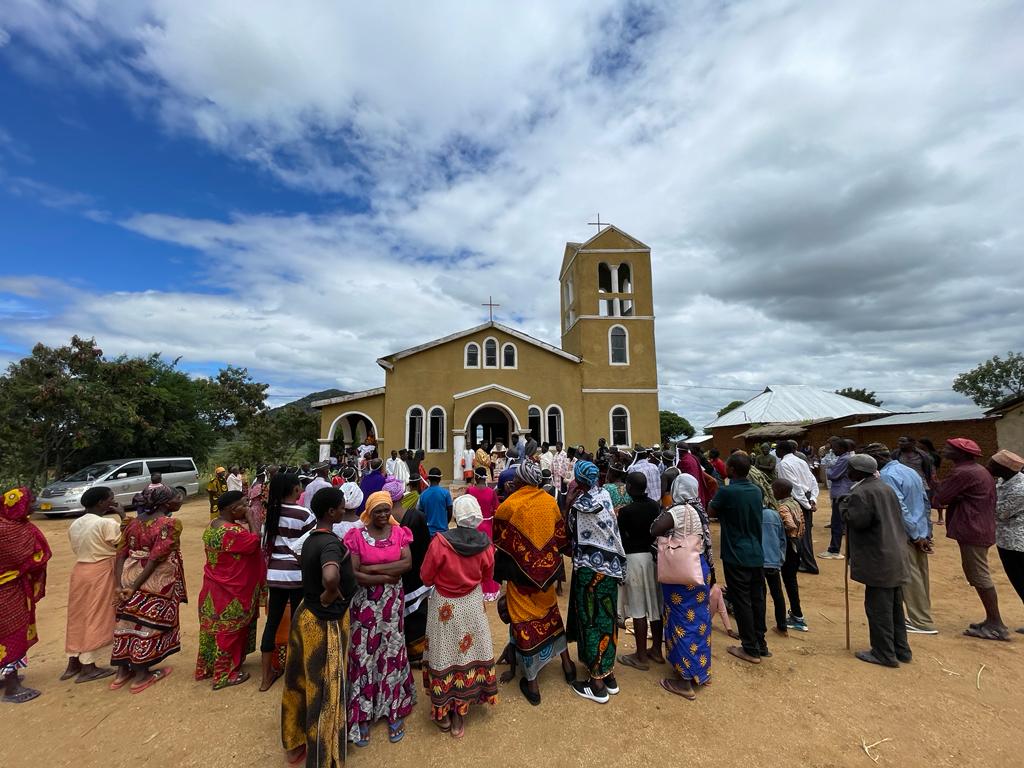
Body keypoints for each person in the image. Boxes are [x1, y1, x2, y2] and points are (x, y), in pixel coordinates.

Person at [281, 486, 358, 768]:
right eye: (341, 506)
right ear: (331, 512)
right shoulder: (329, 543)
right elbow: (329, 575)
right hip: (325, 623)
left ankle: (295, 740)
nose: (344, 509)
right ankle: (324, 757)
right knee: (326, 688)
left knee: (299, 679)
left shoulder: (311, 538)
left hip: (306, 613)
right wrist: (328, 593)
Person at [493, 460, 575, 705]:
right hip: (547, 575)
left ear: (519, 481)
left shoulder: (509, 506)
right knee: (551, 615)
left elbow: (498, 539)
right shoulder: (549, 501)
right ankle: (568, 666)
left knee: (523, 622)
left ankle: (532, 684)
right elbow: (561, 538)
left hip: (521, 576)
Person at [420, 494, 498, 738]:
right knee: (468, 652)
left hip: (445, 606)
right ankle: (460, 714)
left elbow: (425, 576)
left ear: (455, 516)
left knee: (444, 653)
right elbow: (487, 577)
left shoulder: (440, 542)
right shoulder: (486, 545)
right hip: (471, 604)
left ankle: (444, 712)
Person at [344, 491, 415, 746]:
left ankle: (393, 710)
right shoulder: (357, 536)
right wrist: (386, 576)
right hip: (365, 606)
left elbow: (406, 564)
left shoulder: (400, 533)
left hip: (392, 605)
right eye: (378, 511)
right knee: (364, 654)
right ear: (369, 513)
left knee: (391, 653)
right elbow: (354, 574)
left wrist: (371, 569)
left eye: (387, 510)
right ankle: (362, 714)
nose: (384, 515)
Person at [110, 484, 186, 693]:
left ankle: (122, 672)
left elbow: (120, 554)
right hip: (154, 581)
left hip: (128, 575)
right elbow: (155, 558)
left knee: (126, 622)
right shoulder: (170, 524)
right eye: (175, 498)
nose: (179, 500)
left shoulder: (132, 523)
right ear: (165, 503)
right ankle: (142, 675)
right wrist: (135, 587)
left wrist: (120, 584)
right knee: (147, 626)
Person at [933, 438, 1008, 641]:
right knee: (977, 574)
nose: (945, 449)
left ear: (962, 454)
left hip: (972, 528)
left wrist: (934, 481)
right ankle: (992, 620)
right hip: (980, 526)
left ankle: (996, 625)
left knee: (979, 575)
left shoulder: (962, 473)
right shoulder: (977, 470)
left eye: (951, 448)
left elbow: (940, 498)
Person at [842, 454, 912, 667]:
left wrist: (843, 505)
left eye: (850, 469)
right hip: (894, 554)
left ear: (859, 472)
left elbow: (857, 520)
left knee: (878, 608)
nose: (847, 473)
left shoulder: (862, 492)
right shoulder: (884, 487)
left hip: (878, 557)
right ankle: (901, 649)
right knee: (894, 607)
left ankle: (883, 653)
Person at [566, 460, 626, 704]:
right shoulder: (605, 495)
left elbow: (569, 531)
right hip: (610, 567)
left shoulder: (580, 505)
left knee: (591, 621)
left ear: (580, 481)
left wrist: (569, 500)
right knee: (607, 619)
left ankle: (597, 684)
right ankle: (608, 674)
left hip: (590, 571)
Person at [651, 473, 715, 699]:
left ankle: (684, 681)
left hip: (681, 572)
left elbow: (655, 529)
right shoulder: (699, 509)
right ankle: (700, 671)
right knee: (698, 621)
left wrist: (664, 507)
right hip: (700, 569)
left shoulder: (678, 511)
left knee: (681, 621)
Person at [195, 490, 265, 690]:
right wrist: (252, 519)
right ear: (233, 509)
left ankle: (208, 667)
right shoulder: (233, 532)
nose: (248, 507)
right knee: (229, 632)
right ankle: (223, 675)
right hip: (232, 591)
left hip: (214, 587)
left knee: (214, 630)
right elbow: (254, 542)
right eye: (244, 504)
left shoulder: (213, 526)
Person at [865, 444, 937, 635]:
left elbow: (900, 508)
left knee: (909, 577)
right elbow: (924, 501)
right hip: (919, 530)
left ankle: (921, 621)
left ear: (877, 461)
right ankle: (922, 615)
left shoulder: (887, 476)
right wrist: (925, 531)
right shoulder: (909, 470)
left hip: (907, 533)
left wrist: (914, 534)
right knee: (921, 575)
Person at [709, 453, 768, 664]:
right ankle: (761, 643)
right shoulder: (756, 490)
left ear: (732, 470)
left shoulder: (727, 492)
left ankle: (749, 648)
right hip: (756, 552)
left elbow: (711, 511)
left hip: (736, 554)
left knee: (741, 600)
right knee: (757, 598)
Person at [62, 486, 124, 684]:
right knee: (97, 614)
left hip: (81, 570)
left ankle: (73, 660)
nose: (112, 502)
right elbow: (121, 544)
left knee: (78, 614)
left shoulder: (75, 524)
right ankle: (88, 665)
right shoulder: (106, 523)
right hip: (101, 570)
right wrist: (123, 517)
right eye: (110, 499)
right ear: (101, 503)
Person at [261, 473, 316, 691]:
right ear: (295, 490)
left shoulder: (271, 513)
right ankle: (296, 674)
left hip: (275, 575)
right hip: (297, 575)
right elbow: (310, 544)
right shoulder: (303, 513)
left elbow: (266, 544)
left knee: (272, 622)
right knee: (298, 622)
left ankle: (266, 677)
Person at [1, 486, 52, 703]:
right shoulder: (17, 531)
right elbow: (41, 555)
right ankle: (12, 688)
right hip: (8, 591)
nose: (33, 506)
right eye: (30, 503)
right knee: (12, 634)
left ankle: (5, 677)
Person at [616, 472, 664, 671]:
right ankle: (657, 651)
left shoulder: (626, 512)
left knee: (638, 608)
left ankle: (641, 656)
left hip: (634, 559)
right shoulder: (655, 506)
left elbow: (620, 537)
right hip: (653, 559)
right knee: (655, 606)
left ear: (629, 487)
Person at [386, 478, 431, 669]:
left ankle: (397, 651)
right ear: (402, 495)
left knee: (396, 613)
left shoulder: (381, 518)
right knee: (419, 613)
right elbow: (426, 545)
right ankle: (416, 654)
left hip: (392, 574)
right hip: (416, 574)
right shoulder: (416, 516)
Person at [989, 450, 1024, 633]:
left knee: (1021, 580)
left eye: (993, 465)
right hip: (1005, 539)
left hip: (1018, 543)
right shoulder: (1003, 481)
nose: (989, 467)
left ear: (1005, 468)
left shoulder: (1020, 488)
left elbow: (1000, 512)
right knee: (1017, 580)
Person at [772, 479, 808, 632]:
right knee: (791, 580)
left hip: (790, 545)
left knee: (789, 580)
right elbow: (802, 523)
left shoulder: (783, 507)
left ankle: (797, 616)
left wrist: (785, 534)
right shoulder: (795, 503)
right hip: (798, 544)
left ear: (780, 491)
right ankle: (796, 614)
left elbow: (790, 525)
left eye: (774, 490)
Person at [466, 467, 502, 601]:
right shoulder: (491, 492)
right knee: (488, 558)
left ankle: (473, 588)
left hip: (473, 526)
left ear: (476, 477)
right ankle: (489, 589)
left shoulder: (470, 491)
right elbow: (496, 510)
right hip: (487, 527)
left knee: (473, 558)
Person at [822, 438, 855, 559]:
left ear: (842, 448)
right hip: (843, 492)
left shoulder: (844, 459)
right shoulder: (844, 458)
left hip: (840, 494)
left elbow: (833, 475)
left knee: (837, 523)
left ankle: (834, 550)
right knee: (841, 523)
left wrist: (828, 469)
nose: (832, 450)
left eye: (834, 448)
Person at [761, 499, 788, 637]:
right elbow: (782, 538)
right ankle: (782, 626)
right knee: (777, 594)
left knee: (760, 595)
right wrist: (780, 558)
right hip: (773, 560)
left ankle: (760, 627)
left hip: (759, 561)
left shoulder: (753, 515)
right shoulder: (774, 515)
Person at [420, 467, 454, 537]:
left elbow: (421, 513)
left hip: (428, 533)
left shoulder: (423, 495)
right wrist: (444, 524)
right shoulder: (446, 493)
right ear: (440, 479)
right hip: (443, 533)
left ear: (429, 479)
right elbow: (450, 512)